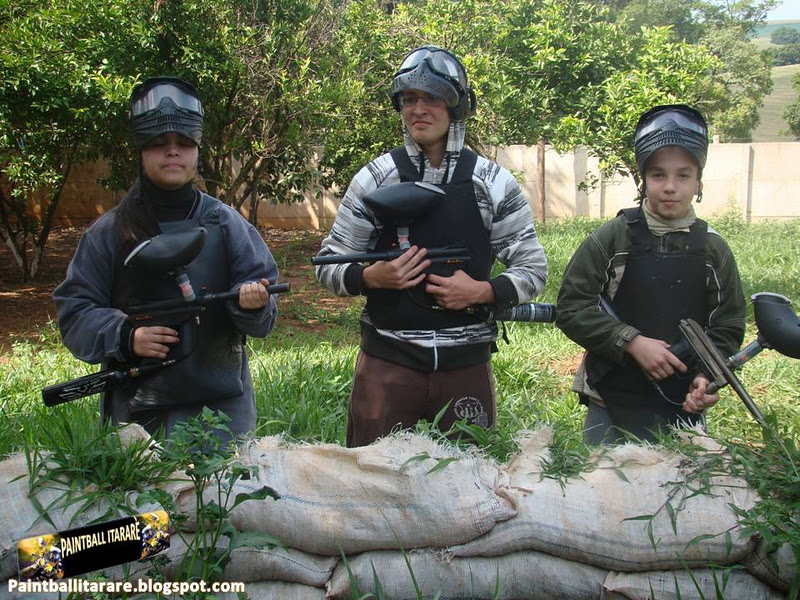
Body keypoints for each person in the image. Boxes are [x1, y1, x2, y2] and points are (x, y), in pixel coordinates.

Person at [315, 46, 548, 447]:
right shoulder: (375, 179)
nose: (418, 109)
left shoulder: (492, 183)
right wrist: (372, 276)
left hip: (466, 366)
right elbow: (328, 265)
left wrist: (483, 291)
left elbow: (533, 269)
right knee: (371, 484)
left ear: (456, 106)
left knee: (469, 489)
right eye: (409, 99)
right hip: (387, 364)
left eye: (432, 97)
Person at [53, 76, 279, 441]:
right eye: (159, 144)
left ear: (197, 151)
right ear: (141, 152)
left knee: (223, 496)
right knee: (144, 499)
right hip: (137, 413)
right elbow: (75, 311)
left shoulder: (225, 223)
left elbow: (264, 312)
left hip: (222, 413)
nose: (172, 152)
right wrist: (128, 335)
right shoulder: (110, 232)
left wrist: (252, 304)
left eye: (184, 143)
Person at [556, 104, 746, 444]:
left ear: (698, 182)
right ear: (643, 180)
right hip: (610, 399)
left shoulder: (713, 249)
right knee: (601, 490)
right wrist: (631, 341)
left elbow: (727, 326)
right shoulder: (613, 238)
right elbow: (572, 307)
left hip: (683, 403)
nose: (670, 186)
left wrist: (707, 378)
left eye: (683, 175)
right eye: (658, 175)